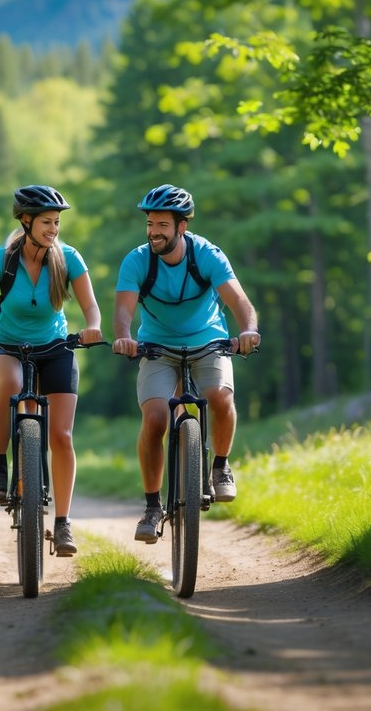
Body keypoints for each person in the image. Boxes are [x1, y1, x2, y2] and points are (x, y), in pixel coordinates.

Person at [0, 185, 103, 557]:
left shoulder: (68, 258)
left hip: (55, 349)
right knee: (13, 383)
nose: (53, 229)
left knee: (62, 437)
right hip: (5, 346)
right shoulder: (2, 259)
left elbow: (92, 309)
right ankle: (0, 468)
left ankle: (63, 524)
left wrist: (92, 327)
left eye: (57, 222)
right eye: (47, 222)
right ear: (26, 221)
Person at [111, 184, 260, 544]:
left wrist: (249, 331)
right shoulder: (137, 260)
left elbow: (239, 301)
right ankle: (151, 506)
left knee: (220, 398)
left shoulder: (207, 255)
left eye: (162, 224)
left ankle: (220, 467)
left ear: (182, 227)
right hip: (156, 347)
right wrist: (124, 336)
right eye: (149, 223)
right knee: (157, 417)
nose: (153, 232)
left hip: (208, 341)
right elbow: (122, 310)